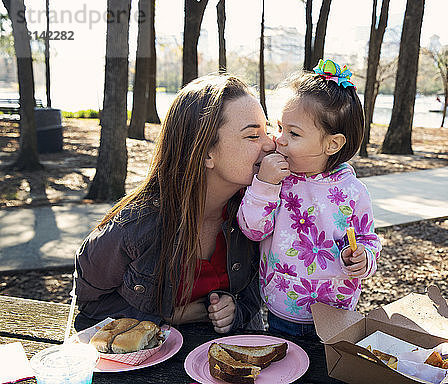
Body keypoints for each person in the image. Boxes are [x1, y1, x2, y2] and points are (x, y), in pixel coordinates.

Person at [74, 75, 275, 333]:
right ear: (205, 152)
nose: (270, 144)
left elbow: (259, 292)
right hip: (155, 368)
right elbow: (88, 299)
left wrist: (235, 311)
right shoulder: (134, 228)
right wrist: (167, 316)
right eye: (252, 135)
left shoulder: (259, 212)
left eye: (266, 131)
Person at [236, 59, 382, 338]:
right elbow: (253, 230)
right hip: (283, 307)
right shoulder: (277, 179)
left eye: (294, 133)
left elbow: (368, 240)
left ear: (332, 144)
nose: (279, 140)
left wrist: (365, 259)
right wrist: (264, 184)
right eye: (280, 127)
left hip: (337, 312)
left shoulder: (353, 192)